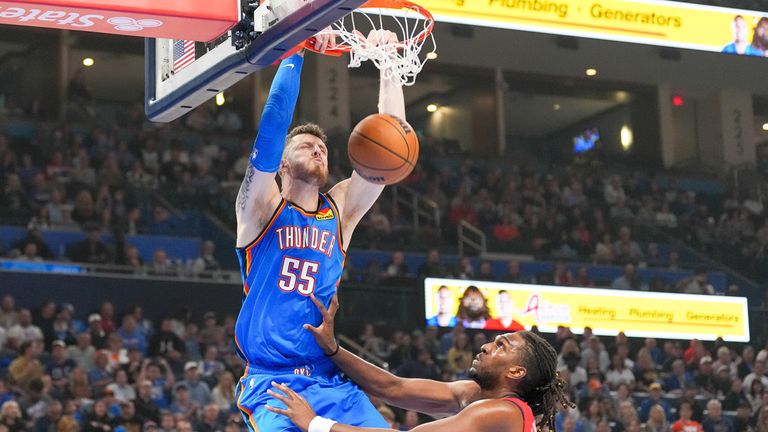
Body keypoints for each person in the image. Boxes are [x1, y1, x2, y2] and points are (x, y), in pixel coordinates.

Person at [232, 31, 404, 431]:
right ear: (283, 166)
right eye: (306, 145)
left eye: (322, 147)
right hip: (272, 382)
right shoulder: (260, 208)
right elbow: (274, 120)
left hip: (329, 377)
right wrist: (297, 44)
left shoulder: (340, 209)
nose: (318, 149)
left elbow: (390, 144)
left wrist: (388, 62)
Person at [267, 295, 574, 432]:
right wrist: (334, 350)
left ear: (516, 372)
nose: (485, 345)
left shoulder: (500, 412)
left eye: (500, 346)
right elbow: (393, 388)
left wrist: (315, 424)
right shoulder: (476, 395)